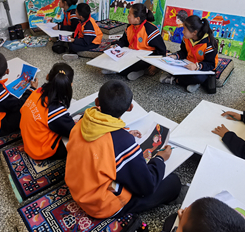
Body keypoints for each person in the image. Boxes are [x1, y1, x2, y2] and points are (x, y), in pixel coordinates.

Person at [65, 80, 181, 218]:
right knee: (173, 183)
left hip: (77, 188)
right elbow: (146, 186)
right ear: (130, 108)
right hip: (99, 204)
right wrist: (160, 159)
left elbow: (99, 145)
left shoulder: (83, 120)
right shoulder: (121, 141)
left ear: (97, 102)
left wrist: (124, 135)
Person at [20, 63, 75, 160]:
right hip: (40, 151)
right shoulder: (55, 110)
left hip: (29, 141)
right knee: (80, 141)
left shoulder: (36, 92)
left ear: (47, 76)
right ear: (71, 84)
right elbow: (73, 132)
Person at [160, 15, 219, 93]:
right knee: (170, 66)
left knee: (198, 78)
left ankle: (176, 80)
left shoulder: (209, 44)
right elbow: (184, 52)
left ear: (194, 32)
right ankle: (191, 83)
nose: (182, 31)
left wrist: (196, 66)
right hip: (188, 64)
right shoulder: (186, 38)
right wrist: (175, 56)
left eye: (184, 29)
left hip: (202, 68)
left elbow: (211, 65)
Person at [112, 3, 166, 81]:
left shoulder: (150, 30)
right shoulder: (129, 27)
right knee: (115, 54)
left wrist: (155, 65)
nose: (127, 16)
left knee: (138, 63)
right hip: (132, 53)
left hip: (146, 57)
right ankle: (135, 71)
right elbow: (124, 41)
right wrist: (116, 45)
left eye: (129, 15)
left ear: (137, 19)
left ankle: (140, 71)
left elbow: (162, 50)